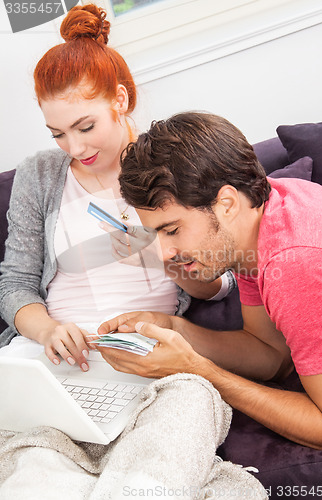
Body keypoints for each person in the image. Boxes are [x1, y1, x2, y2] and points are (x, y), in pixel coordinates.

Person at [0, 6, 225, 372]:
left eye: (85, 127)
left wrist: (164, 258)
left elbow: (223, 282)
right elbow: (15, 284)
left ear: (119, 100)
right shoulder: (38, 175)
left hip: (150, 354)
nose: (74, 148)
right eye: (57, 134)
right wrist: (48, 332)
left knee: (187, 409)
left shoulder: (173, 165)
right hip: (54, 358)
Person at [93, 111, 322, 450]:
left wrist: (199, 370)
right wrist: (176, 330)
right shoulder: (259, 224)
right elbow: (271, 357)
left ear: (226, 204)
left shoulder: (293, 265)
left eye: (172, 230)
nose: (163, 254)